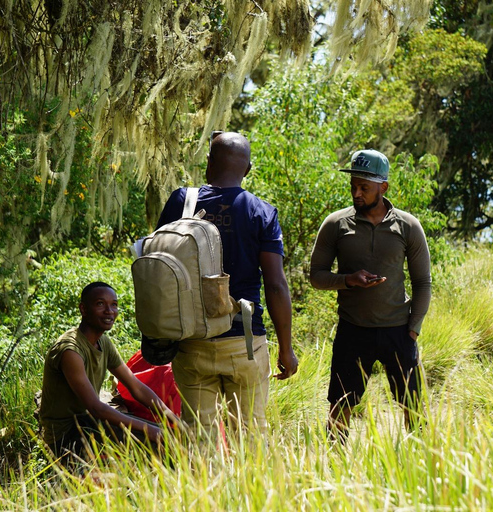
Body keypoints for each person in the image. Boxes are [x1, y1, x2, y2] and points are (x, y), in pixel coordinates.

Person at [155, 131, 298, 436]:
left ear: (209, 163)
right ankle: (249, 485)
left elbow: (159, 271)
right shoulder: (262, 211)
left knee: (198, 437)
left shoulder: (182, 202)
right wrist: (286, 349)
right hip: (244, 341)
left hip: (191, 340)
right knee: (250, 437)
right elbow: (275, 285)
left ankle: (201, 484)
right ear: (247, 170)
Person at [309, 149, 431, 440]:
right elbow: (316, 277)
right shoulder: (336, 224)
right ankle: (334, 465)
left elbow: (423, 282)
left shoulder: (408, 226)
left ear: (383, 187)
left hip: (398, 331)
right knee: (340, 406)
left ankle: (420, 463)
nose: (356, 193)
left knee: (413, 408)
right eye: (353, 186)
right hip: (353, 331)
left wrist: (412, 331)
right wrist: (349, 280)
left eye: (364, 187)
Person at [38, 282, 178, 456]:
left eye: (114, 305)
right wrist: (149, 430)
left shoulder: (103, 342)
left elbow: (136, 387)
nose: (109, 311)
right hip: (67, 434)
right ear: (83, 309)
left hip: (90, 421)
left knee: (170, 435)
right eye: (100, 304)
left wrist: (174, 419)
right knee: (156, 442)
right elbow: (96, 407)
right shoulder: (70, 350)